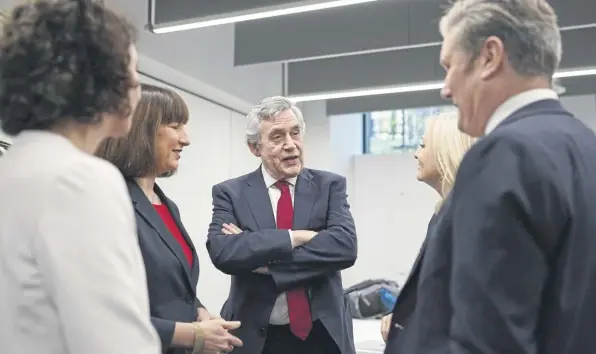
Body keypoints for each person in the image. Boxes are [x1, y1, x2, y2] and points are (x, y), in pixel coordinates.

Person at [403, 0, 596, 353]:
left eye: (449, 66)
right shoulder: (586, 147)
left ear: (490, 56)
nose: (446, 88)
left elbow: (490, 339)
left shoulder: (503, 154)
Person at [0, 1, 160, 354]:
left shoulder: (14, 169)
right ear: (102, 79)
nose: (137, 84)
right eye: (133, 69)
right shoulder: (79, 180)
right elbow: (116, 343)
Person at [96, 84, 243, 354]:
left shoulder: (166, 205)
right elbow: (101, 310)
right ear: (142, 131)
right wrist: (192, 335)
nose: (185, 139)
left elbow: (173, 286)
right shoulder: (107, 200)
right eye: (175, 126)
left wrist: (200, 312)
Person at [206, 96, 358, 354]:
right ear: (255, 148)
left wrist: (264, 260)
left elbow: (344, 248)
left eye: (295, 133)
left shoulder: (330, 186)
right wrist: (296, 237)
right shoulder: (231, 193)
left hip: (322, 335)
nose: (291, 145)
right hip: (257, 339)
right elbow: (223, 252)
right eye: (277, 137)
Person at [380, 113, 475, 353]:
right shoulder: (442, 214)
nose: (416, 153)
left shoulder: (463, 216)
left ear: (446, 152)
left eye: (423, 146)